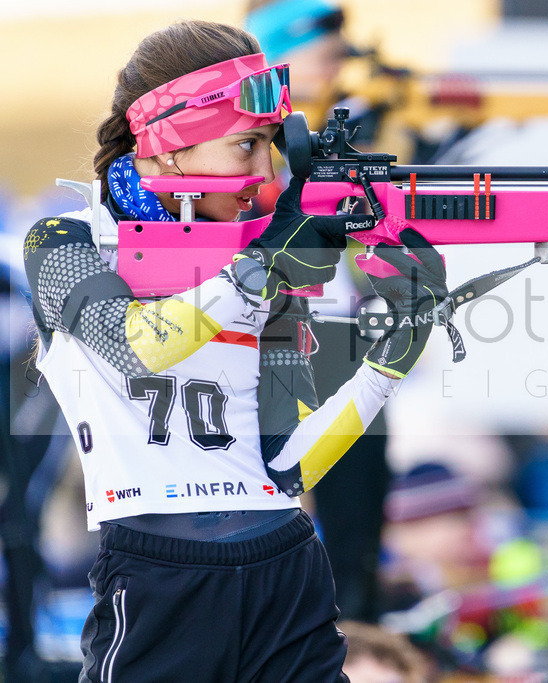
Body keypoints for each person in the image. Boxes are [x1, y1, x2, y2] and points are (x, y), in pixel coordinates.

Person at [22, 20, 447, 681]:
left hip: (288, 567)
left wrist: (394, 352)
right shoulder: (64, 240)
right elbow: (135, 346)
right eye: (246, 144)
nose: (266, 172)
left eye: (272, 144)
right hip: (158, 576)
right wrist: (259, 267)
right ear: (167, 146)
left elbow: (288, 467)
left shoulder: (263, 259)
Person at [245, 0, 396, 622]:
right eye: (323, 58)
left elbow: (373, 245)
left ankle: (357, 632)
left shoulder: (348, 124)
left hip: (342, 337)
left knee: (358, 517)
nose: (336, 70)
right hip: (268, 339)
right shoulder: (248, 139)